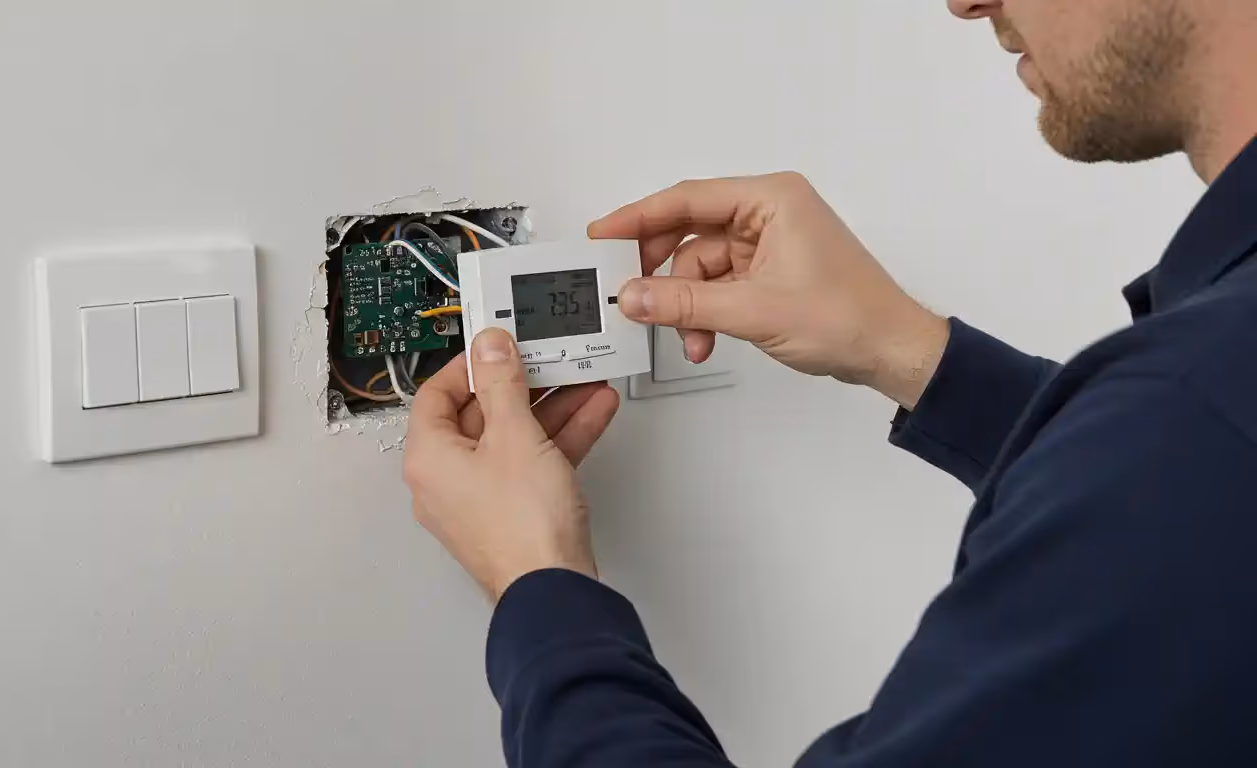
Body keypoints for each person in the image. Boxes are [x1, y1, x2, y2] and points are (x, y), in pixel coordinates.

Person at [403, 0, 1257, 765]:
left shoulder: (1190, 417)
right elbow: (1174, 494)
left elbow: (1177, 470)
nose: (963, 2)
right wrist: (912, 352)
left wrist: (537, 582)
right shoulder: (1198, 412)